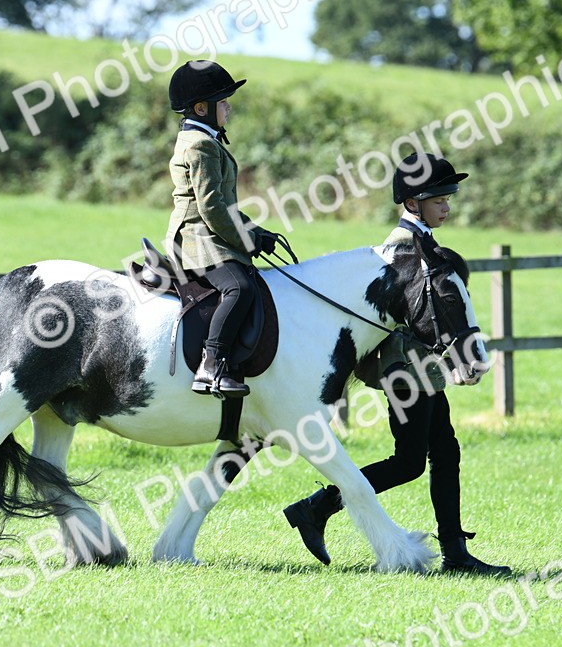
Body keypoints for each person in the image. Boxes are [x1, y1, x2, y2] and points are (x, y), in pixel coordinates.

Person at [282, 152, 511, 576]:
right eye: (438, 198)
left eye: (448, 198)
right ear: (412, 203)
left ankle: (455, 552)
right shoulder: (399, 250)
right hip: (405, 371)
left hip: (425, 369)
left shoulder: (426, 245)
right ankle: (316, 507)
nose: (446, 206)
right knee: (409, 462)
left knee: (445, 451)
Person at [165, 59, 276, 397]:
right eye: (223, 102)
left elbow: (226, 207)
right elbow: (211, 207)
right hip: (197, 238)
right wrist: (247, 239)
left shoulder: (206, 139)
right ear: (201, 108)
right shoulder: (200, 145)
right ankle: (210, 365)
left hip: (210, 233)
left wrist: (256, 230)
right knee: (239, 287)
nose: (228, 108)